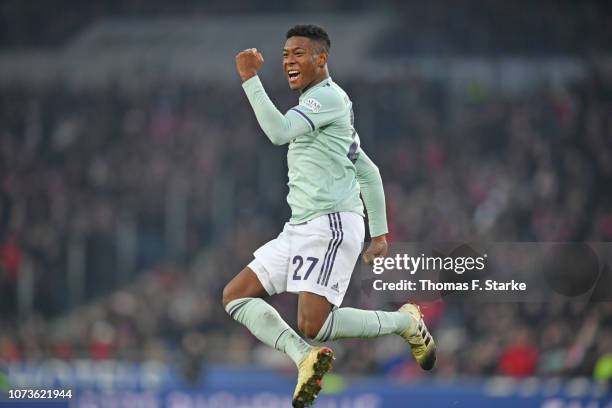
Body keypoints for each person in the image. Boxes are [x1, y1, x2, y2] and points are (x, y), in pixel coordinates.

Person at [223, 24, 436, 407]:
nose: (289, 60)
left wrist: (249, 79)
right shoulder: (322, 110)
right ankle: (304, 357)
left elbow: (277, 131)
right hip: (301, 225)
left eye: (299, 53)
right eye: (286, 54)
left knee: (313, 324)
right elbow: (367, 170)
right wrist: (380, 235)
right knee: (236, 297)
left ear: (322, 59)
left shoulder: (327, 99)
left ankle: (405, 322)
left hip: (331, 221)